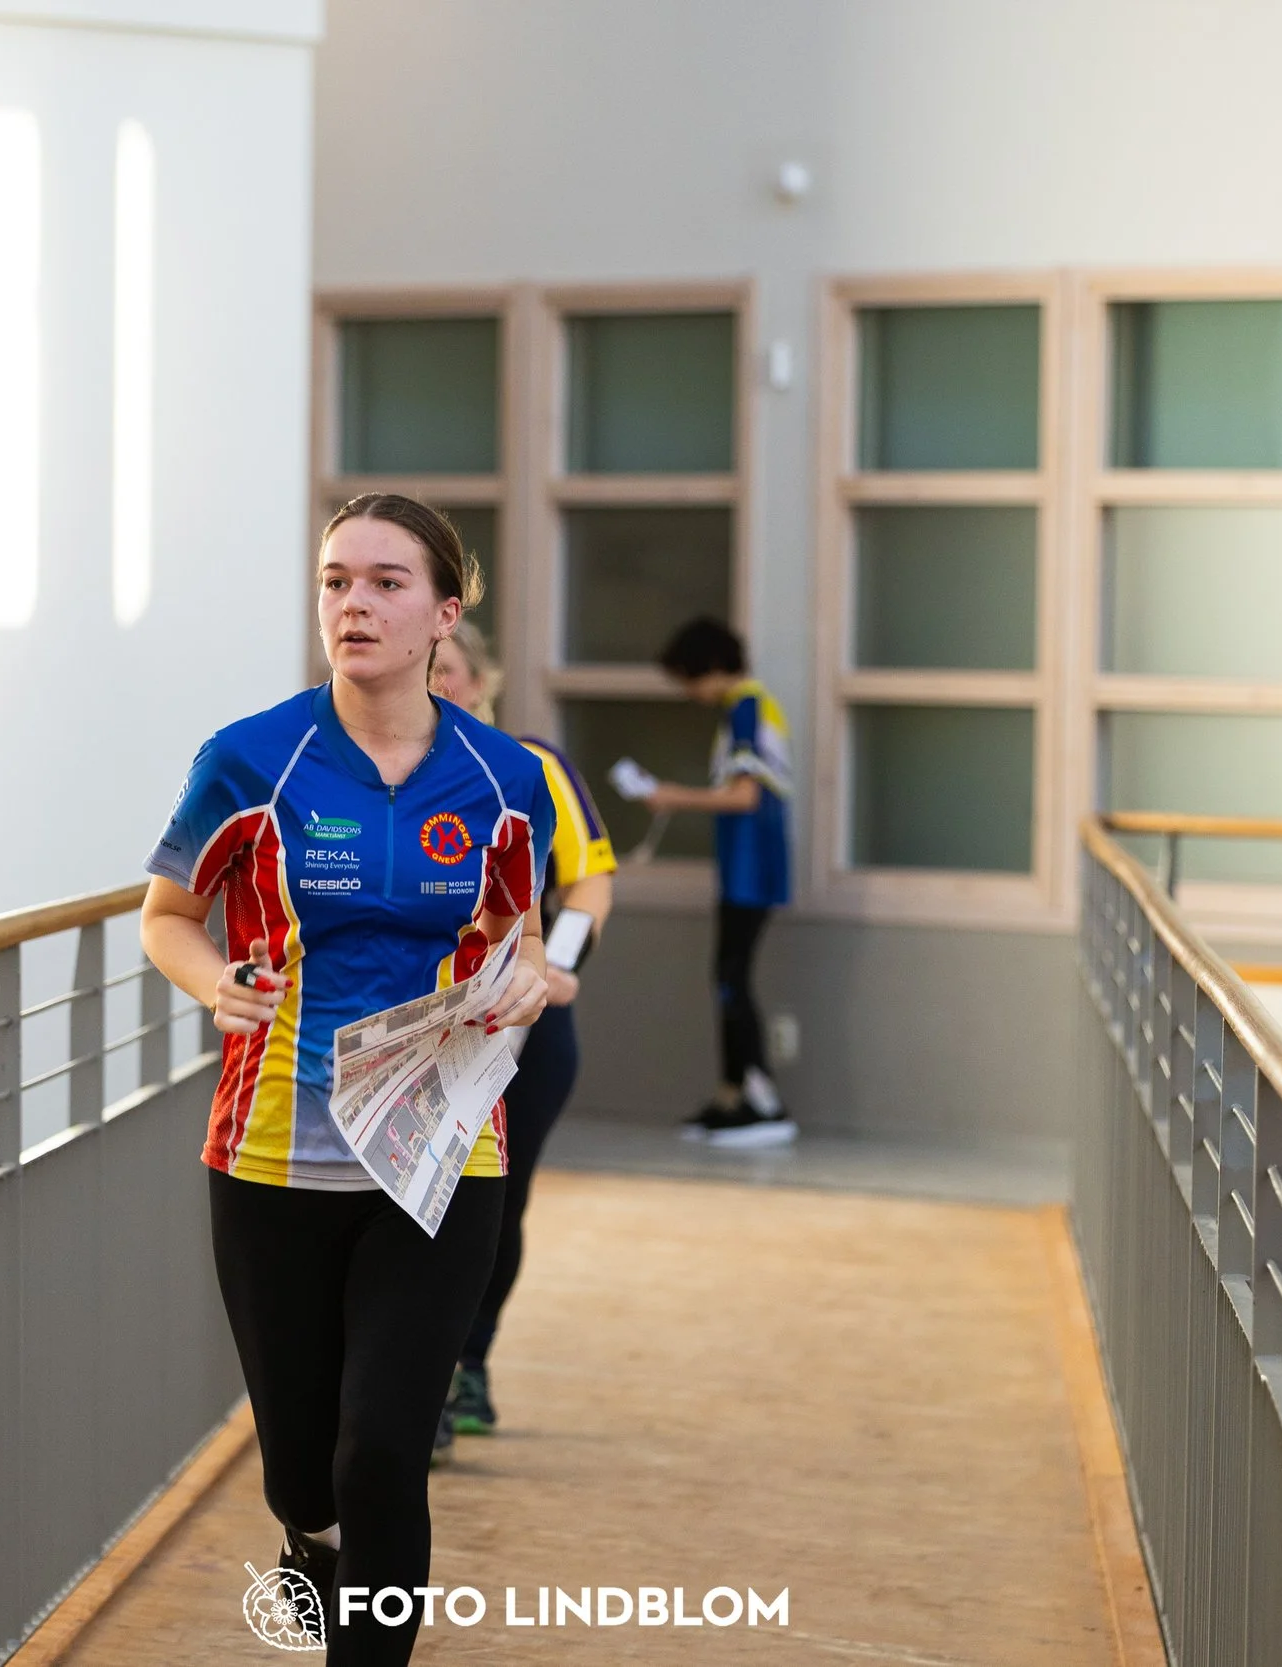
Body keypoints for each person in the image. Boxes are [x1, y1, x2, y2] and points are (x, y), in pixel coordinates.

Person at [139, 493, 553, 1665]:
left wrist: (523, 975)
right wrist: (211, 980)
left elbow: (520, 926)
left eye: (383, 582)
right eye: (334, 581)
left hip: (440, 1147)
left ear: (443, 612)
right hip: (272, 1149)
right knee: (304, 1459)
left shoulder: (504, 775)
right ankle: (306, 1535)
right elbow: (166, 916)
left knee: (382, 1445)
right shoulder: (249, 758)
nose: (353, 604)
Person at [425, 621, 615, 1464]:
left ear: (482, 680)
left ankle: (467, 1361)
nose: (438, 682)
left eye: (451, 671)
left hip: (524, 1026)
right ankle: (415, 1384)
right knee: (413, 1207)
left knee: (496, 1203)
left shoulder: (526, 766)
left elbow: (590, 877)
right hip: (423, 1032)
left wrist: (559, 968)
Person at [639, 616, 796, 1147]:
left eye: (689, 678)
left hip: (753, 868)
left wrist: (672, 795)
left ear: (708, 668)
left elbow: (745, 796)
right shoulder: (744, 708)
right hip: (744, 866)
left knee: (732, 978)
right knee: (728, 977)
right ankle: (735, 1093)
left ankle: (759, 1098)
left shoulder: (748, 707)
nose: (689, 692)